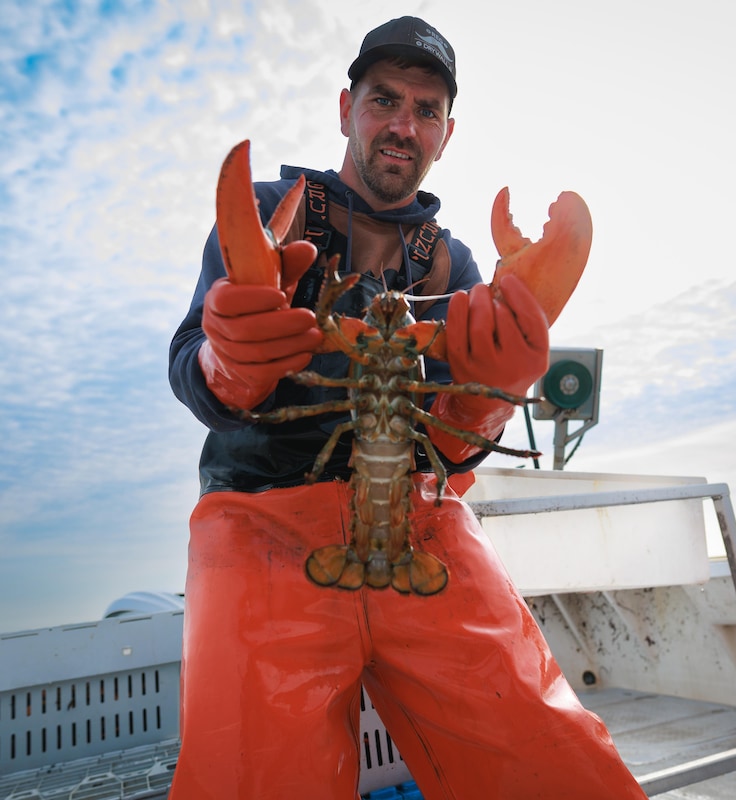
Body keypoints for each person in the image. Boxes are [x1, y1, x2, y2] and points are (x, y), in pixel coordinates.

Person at [168, 16, 647, 800]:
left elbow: (455, 449)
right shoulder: (269, 211)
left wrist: (488, 401)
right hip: (264, 526)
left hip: (422, 523)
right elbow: (191, 357)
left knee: (553, 757)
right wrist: (228, 364)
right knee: (252, 773)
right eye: (384, 100)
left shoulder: (452, 264)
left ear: (446, 135)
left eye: (426, 110)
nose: (403, 124)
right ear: (346, 109)